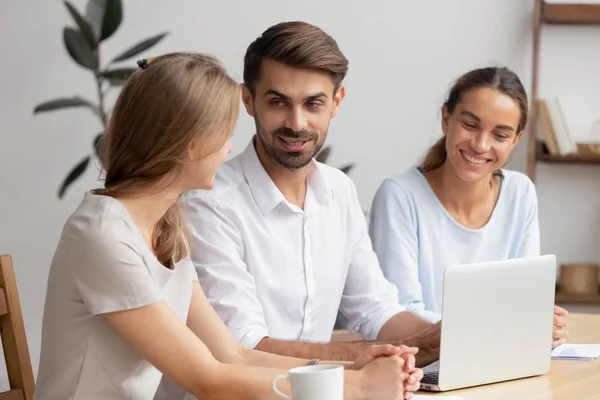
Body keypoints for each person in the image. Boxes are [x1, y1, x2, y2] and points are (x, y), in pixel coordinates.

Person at [34, 52, 420, 400]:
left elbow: (231, 354)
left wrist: (353, 369)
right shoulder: (102, 234)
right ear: (190, 143)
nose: (229, 149)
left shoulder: (166, 226)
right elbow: (207, 379)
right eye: (224, 134)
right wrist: (355, 388)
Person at [181, 21, 440, 376]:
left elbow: (377, 310)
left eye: (313, 103)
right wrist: (424, 346)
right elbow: (244, 347)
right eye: (278, 102)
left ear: (336, 102)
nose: (297, 123)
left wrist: (463, 332)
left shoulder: (339, 191)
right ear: (248, 100)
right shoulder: (210, 202)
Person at [368, 66, 569, 348]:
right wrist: (504, 328)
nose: (480, 145)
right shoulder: (399, 195)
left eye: (500, 135)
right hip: (422, 364)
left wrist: (543, 323)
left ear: (516, 140)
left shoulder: (520, 193)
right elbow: (399, 312)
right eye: (470, 125)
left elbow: (524, 298)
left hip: (497, 359)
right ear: (446, 119)